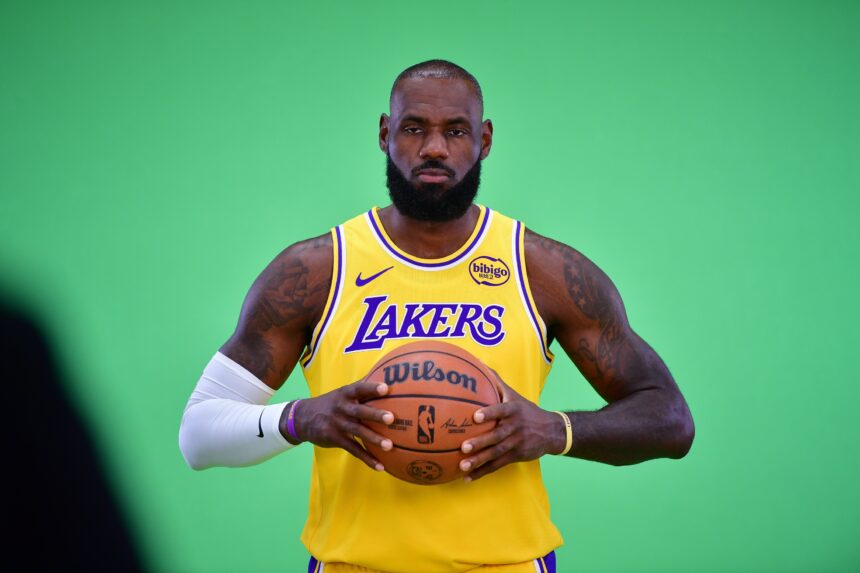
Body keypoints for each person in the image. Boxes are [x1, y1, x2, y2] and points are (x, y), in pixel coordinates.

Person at [179, 59, 694, 573]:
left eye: (456, 130)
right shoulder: (315, 272)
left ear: (485, 140)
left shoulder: (542, 271)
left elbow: (669, 419)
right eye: (413, 128)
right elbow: (198, 434)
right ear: (384, 133)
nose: (433, 148)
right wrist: (299, 418)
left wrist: (553, 429)